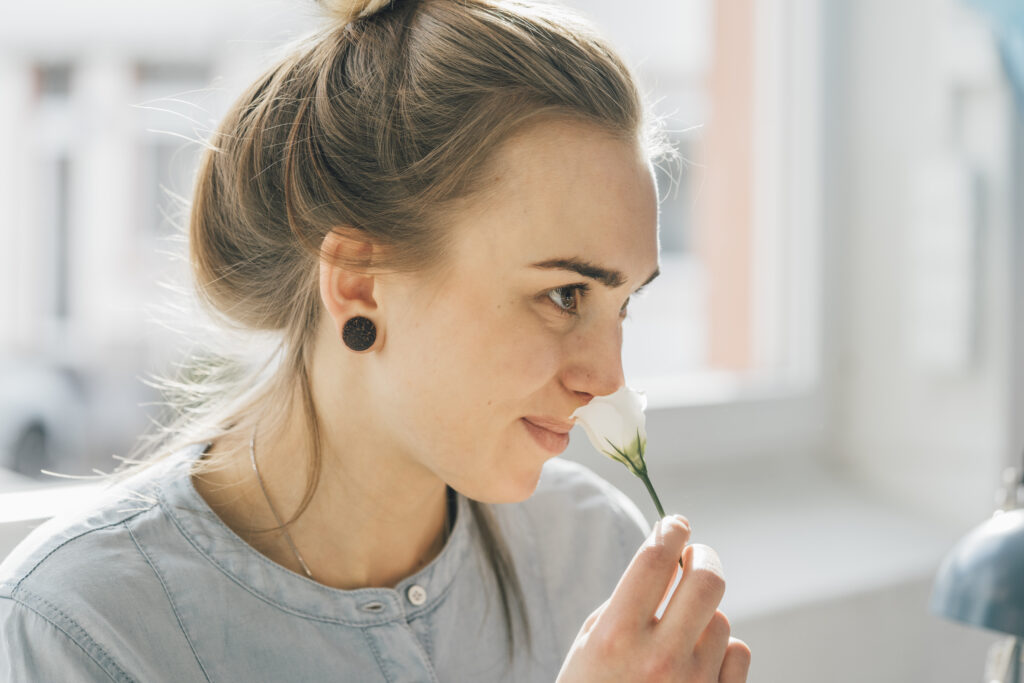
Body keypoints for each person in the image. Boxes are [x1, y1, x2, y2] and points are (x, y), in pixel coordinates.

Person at [0, 0, 751, 680]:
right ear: (359, 281)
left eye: (624, 307)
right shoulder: (83, 629)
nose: (608, 378)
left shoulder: (594, 552)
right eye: (564, 295)